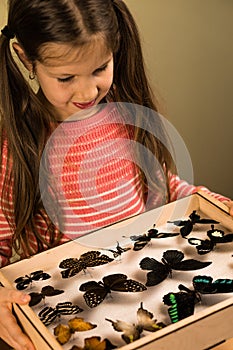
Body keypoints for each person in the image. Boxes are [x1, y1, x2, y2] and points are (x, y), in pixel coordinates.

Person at [0, 0, 233, 349]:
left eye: (100, 69)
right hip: (82, 317)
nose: (87, 91)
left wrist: (216, 203)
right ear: (25, 58)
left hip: (154, 294)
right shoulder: (15, 148)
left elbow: (167, 188)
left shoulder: (129, 116)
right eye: (66, 78)